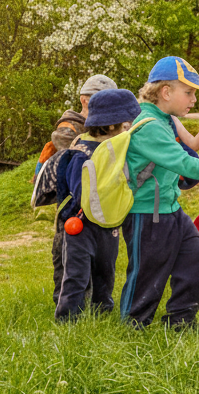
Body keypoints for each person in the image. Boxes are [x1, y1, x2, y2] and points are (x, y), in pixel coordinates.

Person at [118, 56, 199, 329]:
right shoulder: (149, 127)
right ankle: (133, 325)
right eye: (189, 92)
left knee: (196, 257)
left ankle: (180, 321)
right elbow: (184, 163)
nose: (194, 99)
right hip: (146, 214)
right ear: (166, 92)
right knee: (147, 272)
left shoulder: (164, 120)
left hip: (170, 210)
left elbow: (188, 155)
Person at [54, 89, 140, 322]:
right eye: (126, 125)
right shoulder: (81, 152)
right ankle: (68, 317)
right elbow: (77, 190)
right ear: (110, 125)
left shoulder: (116, 147)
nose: (128, 130)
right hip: (81, 224)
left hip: (108, 223)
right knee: (76, 274)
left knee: (106, 270)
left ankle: (102, 312)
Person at [45, 73, 117, 306]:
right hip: (70, 203)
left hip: (94, 200)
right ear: (84, 100)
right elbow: (69, 149)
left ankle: (94, 300)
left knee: (97, 255)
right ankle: (64, 300)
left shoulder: (105, 129)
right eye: (100, 99)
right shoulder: (70, 127)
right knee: (67, 254)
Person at [37, 74, 116, 174]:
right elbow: (79, 163)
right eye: (100, 100)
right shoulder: (68, 129)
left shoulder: (106, 127)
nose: (106, 105)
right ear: (83, 100)